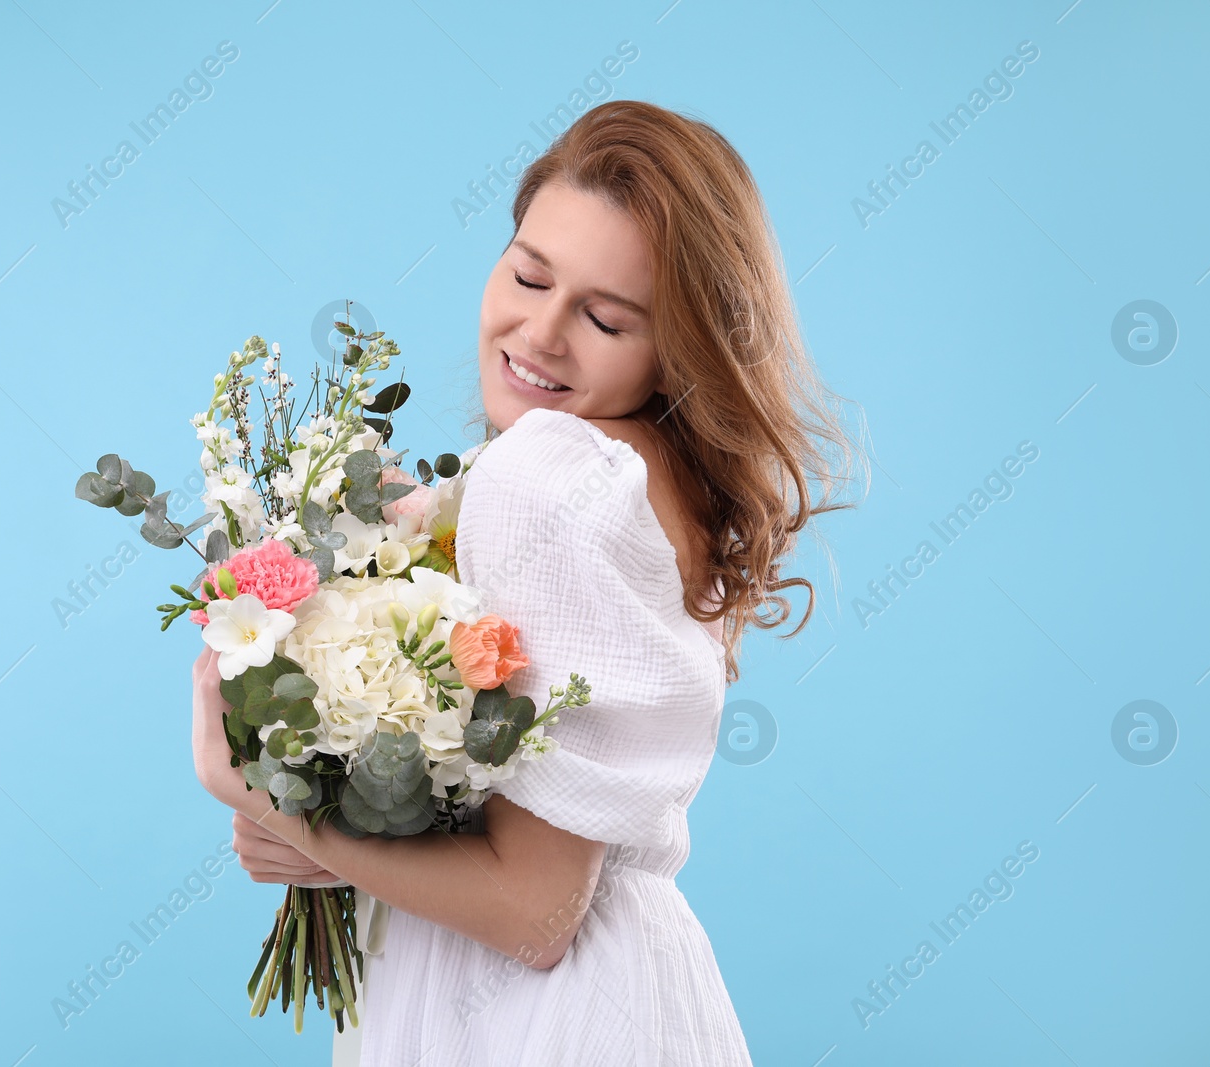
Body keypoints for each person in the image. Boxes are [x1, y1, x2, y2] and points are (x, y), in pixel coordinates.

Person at [190, 99, 864, 1066]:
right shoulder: (636, 475)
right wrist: (339, 831)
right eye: (529, 273)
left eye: (603, 316)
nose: (540, 333)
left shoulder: (552, 479)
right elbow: (510, 816)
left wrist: (271, 798)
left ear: (678, 350)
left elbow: (535, 912)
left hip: (524, 1016)